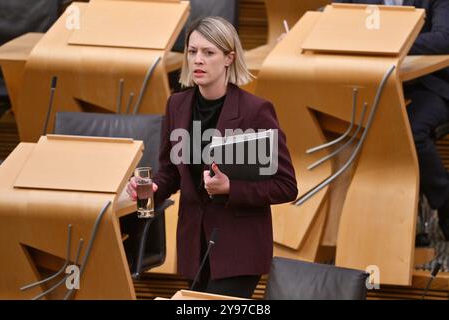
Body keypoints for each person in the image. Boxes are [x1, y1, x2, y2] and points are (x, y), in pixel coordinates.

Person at [126, 17, 298, 298]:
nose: (198, 60)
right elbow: (170, 170)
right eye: (192, 52)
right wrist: (154, 187)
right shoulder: (177, 105)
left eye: (208, 53)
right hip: (194, 245)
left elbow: (286, 185)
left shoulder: (256, 111)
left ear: (229, 58)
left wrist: (231, 188)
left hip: (238, 249)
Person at [330, 0, 449, 241]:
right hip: (371, 86)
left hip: (428, 85)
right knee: (340, 125)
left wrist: (389, 41)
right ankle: (375, 223)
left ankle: (444, 202)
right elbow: (331, 23)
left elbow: (444, 39)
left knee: (410, 132)